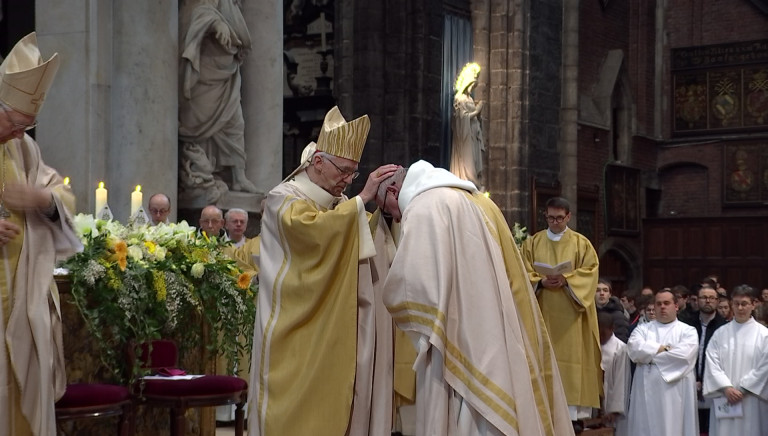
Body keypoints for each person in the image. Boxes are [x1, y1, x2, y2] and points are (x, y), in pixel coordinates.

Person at [378, 160, 573, 435]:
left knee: (464, 411)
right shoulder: (479, 201)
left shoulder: (424, 208)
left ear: (394, 190)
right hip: (494, 328)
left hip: (457, 340)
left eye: (389, 210)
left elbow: (413, 286)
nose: (396, 218)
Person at [248, 106, 399, 436]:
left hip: (333, 331)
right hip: (294, 333)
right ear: (317, 162)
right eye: (343, 170)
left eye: (353, 173)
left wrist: (383, 211)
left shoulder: (339, 202)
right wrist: (361, 200)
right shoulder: (282, 199)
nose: (346, 179)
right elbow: (311, 233)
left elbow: (357, 240)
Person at [0, 32, 82, 436]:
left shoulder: (24, 151)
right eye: (16, 124)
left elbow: (62, 195)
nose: (20, 134)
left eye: (28, 126)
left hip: (19, 299)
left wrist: (41, 198)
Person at [521, 196, 602, 424]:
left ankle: (573, 419)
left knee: (571, 367)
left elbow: (590, 272)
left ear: (568, 217)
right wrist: (539, 282)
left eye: (559, 218)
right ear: (545, 216)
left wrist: (567, 280)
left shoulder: (581, 244)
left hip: (571, 318)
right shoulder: (532, 243)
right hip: (542, 313)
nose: (554, 222)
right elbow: (520, 273)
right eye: (550, 217)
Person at [179, 0, 257, 196]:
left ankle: (238, 177)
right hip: (205, 75)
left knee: (235, 124)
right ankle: (199, 174)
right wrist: (215, 23)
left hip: (227, 75)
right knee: (198, 125)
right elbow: (194, 12)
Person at [626, 289, 699, 436]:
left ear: (676, 306)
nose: (662, 307)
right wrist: (664, 349)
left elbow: (684, 356)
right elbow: (633, 349)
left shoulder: (688, 331)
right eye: (658, 304)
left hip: (675, 388)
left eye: (666, 303)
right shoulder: (642, 329)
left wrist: (649, 355)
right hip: (645, 385)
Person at [703, 285, 768, 436]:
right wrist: (726, 388)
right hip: (725, 398)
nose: (740, 307)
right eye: (736, 303)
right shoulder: (720, 334)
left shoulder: (764, 335)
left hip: (752, 398)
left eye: (744, 303)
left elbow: (765, 367)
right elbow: (712, 363)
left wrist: (744, 389)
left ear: (753, 304)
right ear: (732, 304)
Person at [680, 284, 728, 433]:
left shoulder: (724, 327)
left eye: (711, 298)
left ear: (717, 301)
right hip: (689, 383)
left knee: (713, 428)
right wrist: (693, 378)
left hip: (715, 386)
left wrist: (707, 380)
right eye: (703, 297)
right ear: (696, 300)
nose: (707, 301)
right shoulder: (686, 325)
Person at [450, 62, 485, 189]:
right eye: (471, 85)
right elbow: (461, 118)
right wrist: (477, 111)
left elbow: (476, 119)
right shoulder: (460, 98)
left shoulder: (470, 99)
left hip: (474, 134)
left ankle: (475, 183)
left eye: (474, 85)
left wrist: (479, 116)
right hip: (465, 135)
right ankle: (467, 180)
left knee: (475, 161)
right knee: (468, 162)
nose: (472, 88)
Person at [598, 312, 629, 436]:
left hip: (611, 403)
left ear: (612, 329)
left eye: (603, 333)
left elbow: (622, 381)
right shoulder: (592, 345)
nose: (600, 336)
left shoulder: (621, 349)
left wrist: (614, 410)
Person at [595, 278, 630, 342]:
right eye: (598, 290)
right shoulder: (589, 314)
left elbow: (621, 339)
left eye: (605, 290)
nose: (602, 293)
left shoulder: (619, 316)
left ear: (610, 295)